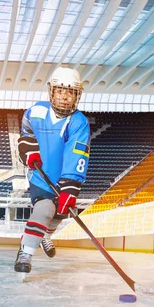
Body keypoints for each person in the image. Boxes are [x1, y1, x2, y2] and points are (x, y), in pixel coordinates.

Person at [14, 67, 91, 275]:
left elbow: (78, 153)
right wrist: (29, 151)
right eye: (60, 91)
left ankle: (45, 235)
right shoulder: (36, 111)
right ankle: (25, 253)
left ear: (77, 96)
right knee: (45, 209)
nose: (65, 97)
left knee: (59, 215)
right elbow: (27, 133)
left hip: (64, 179)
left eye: (70, 92)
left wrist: (70, 186)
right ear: (52, 92)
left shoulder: (79, 122)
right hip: (40, 176)